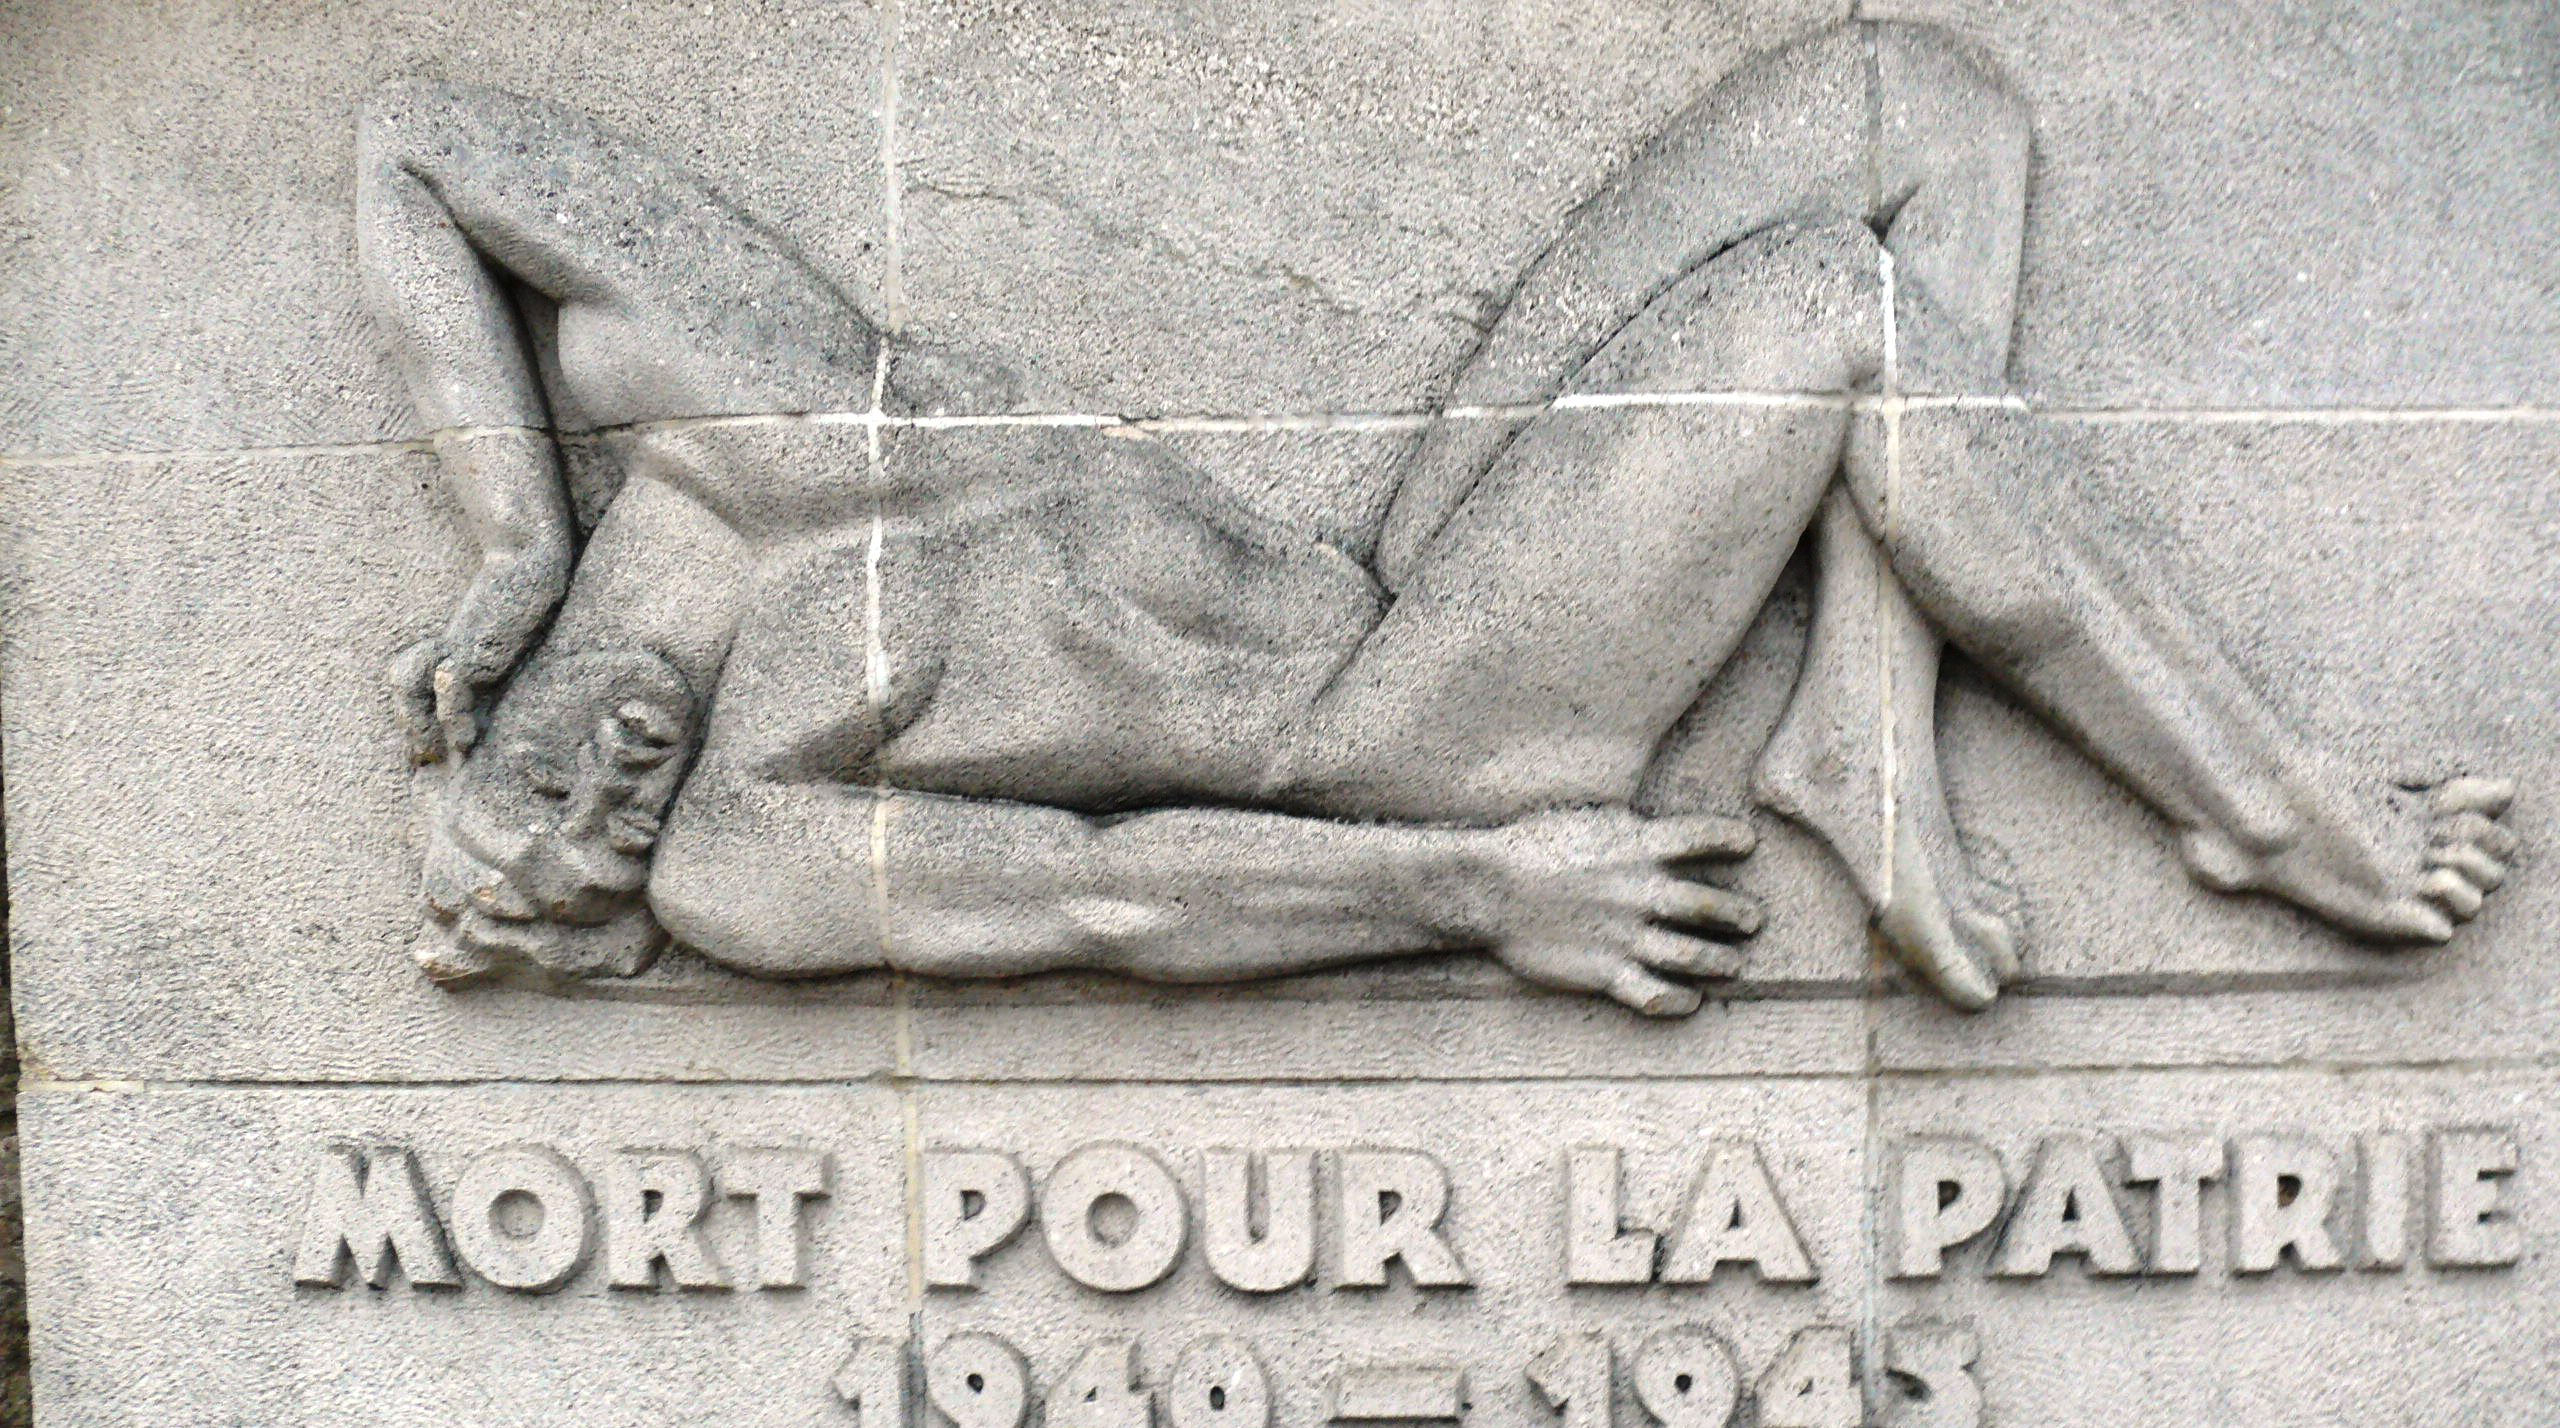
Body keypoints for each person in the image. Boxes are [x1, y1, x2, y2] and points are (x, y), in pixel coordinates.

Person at [361, 21, 2514, 1013]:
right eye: (583, 870)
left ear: (483, 724)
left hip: (1392, 569)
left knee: (1905, 104)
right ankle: (2268, 815)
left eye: (517, 807)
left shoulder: (697, 413)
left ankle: (1861, 722)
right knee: (1821, 308)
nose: (590, 806)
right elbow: (1108, 904)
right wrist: (1478, 890)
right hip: (1399, 734)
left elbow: (421, 141)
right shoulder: (739, 853)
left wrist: (511, 534)